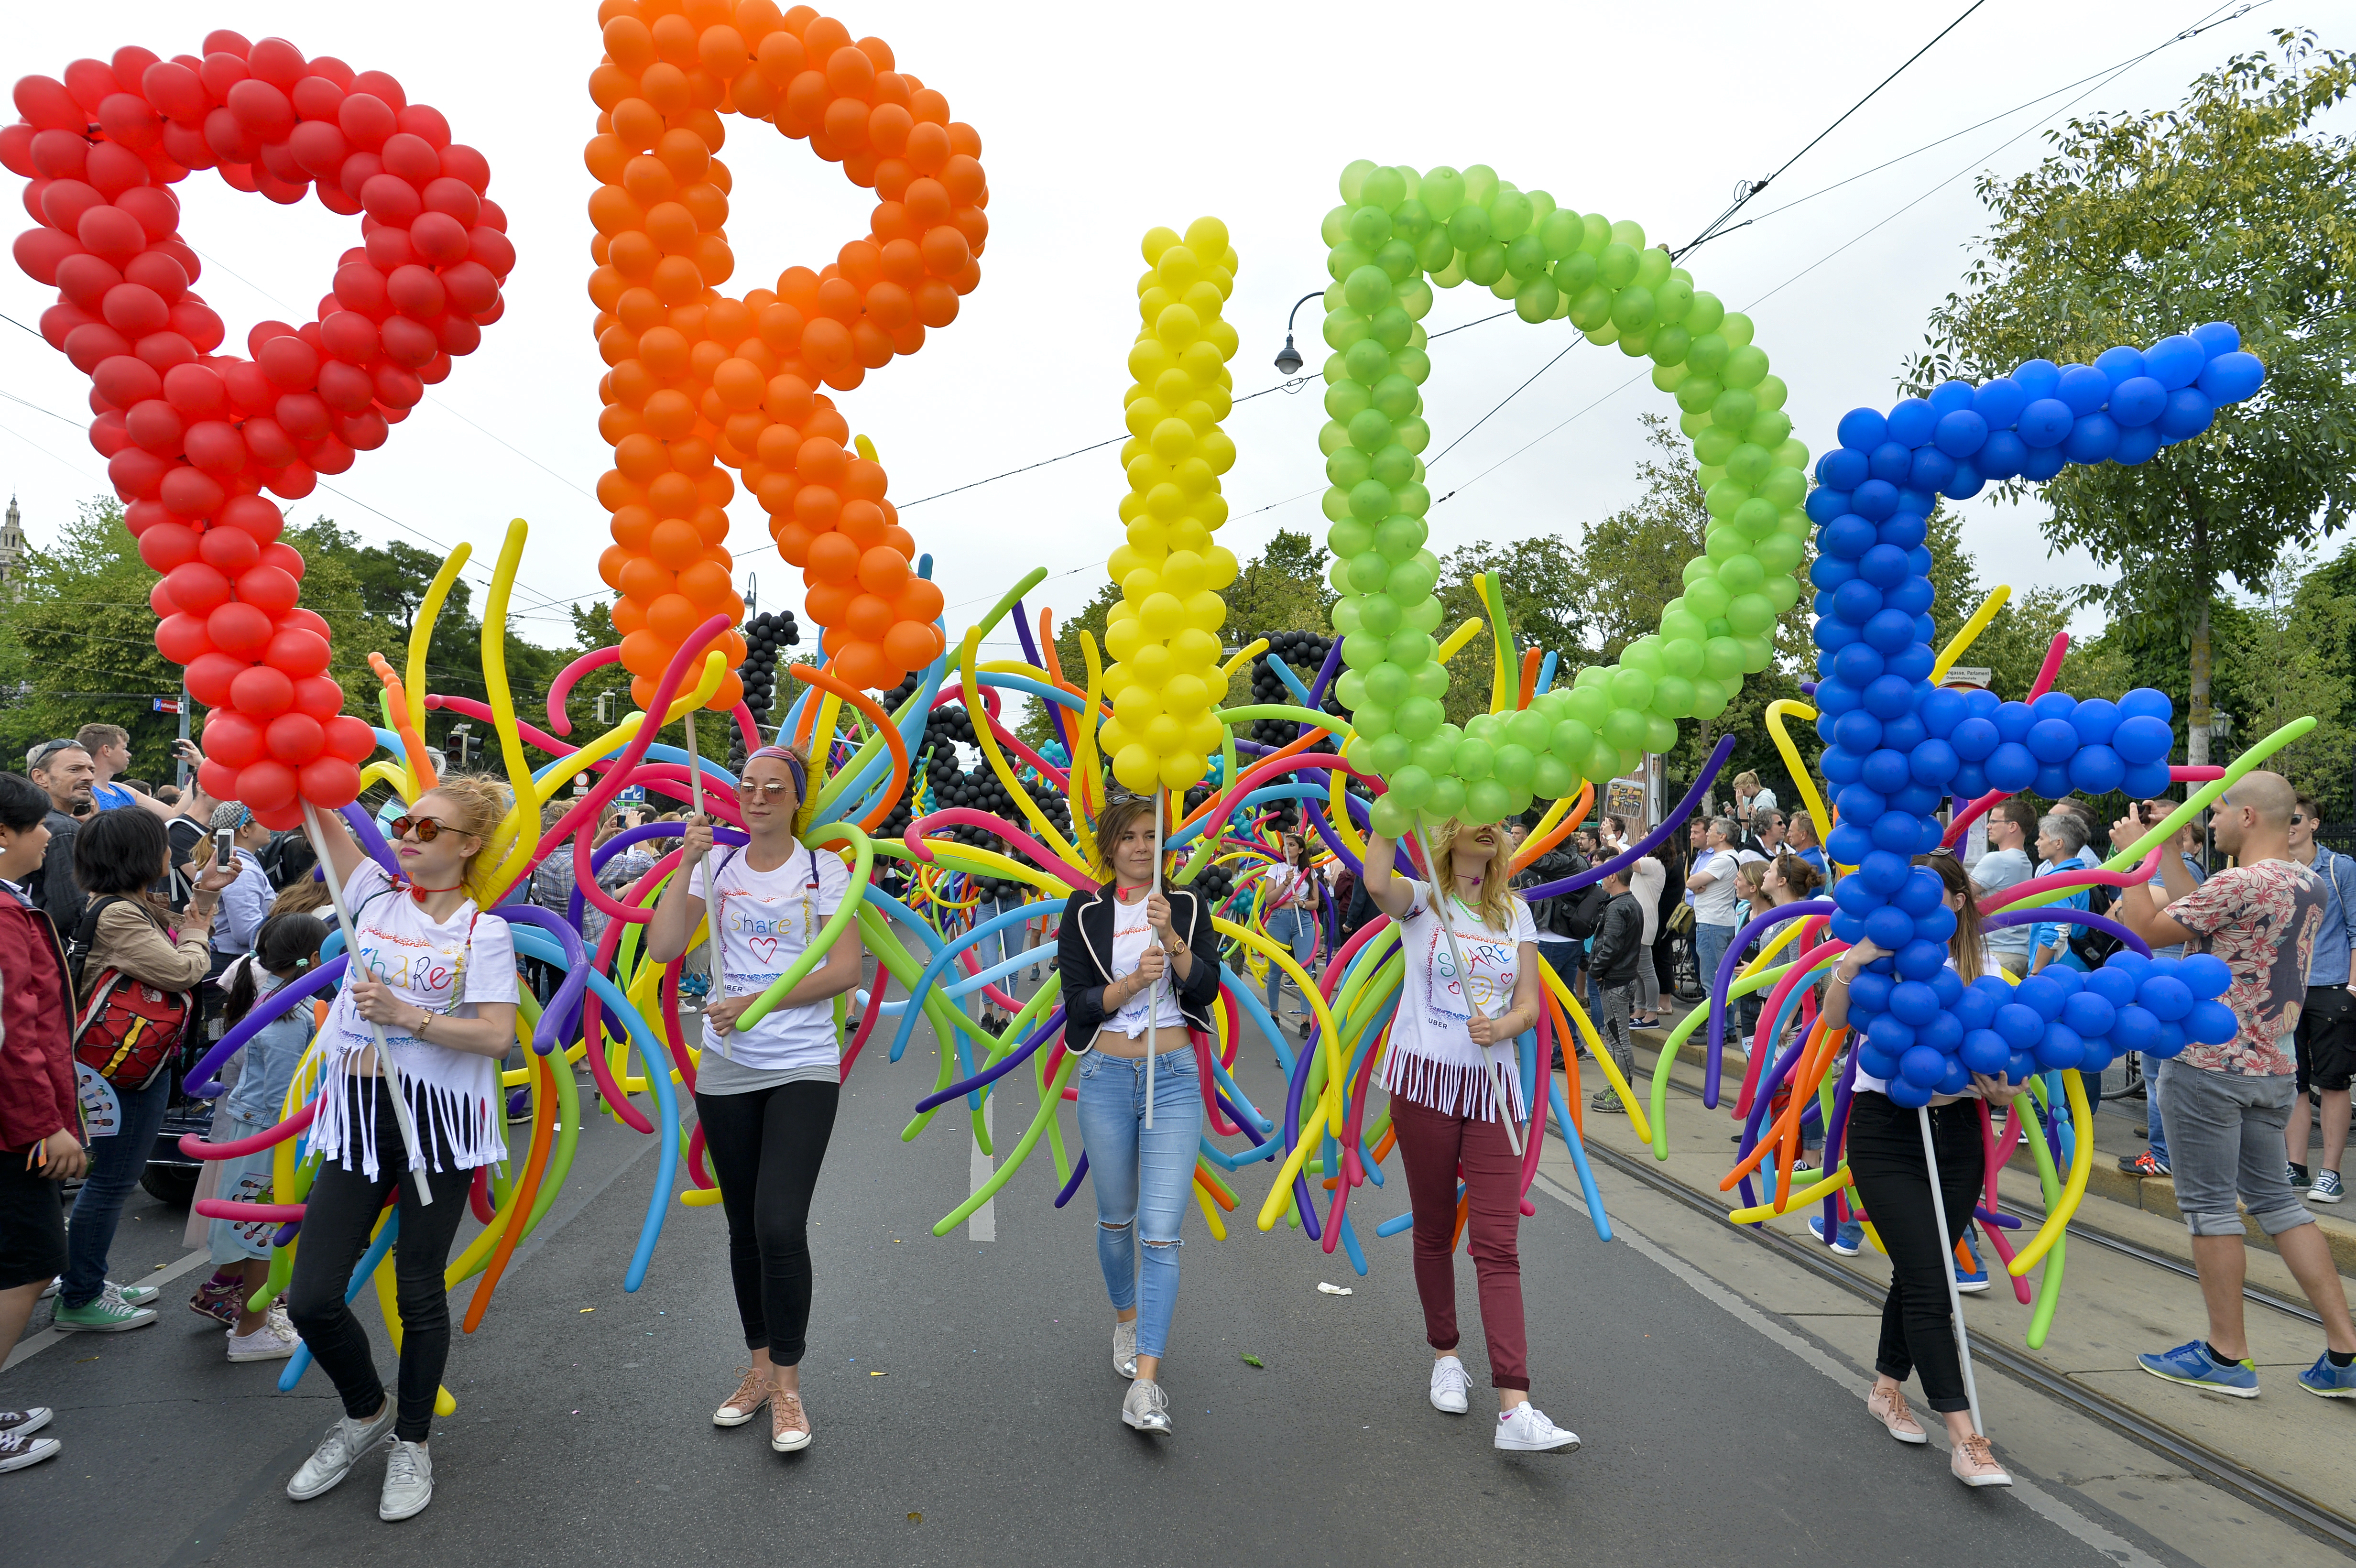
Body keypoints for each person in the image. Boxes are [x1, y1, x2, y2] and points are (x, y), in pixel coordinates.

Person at [284, 776, 520, 1521]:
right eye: (403, 824)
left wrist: (407, 1015)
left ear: (469, 845)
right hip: (359, 1115)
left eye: (427, 828)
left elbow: (497, 1036)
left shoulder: (484, 932)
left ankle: (412, 1442)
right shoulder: (372, 896)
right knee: (311, 1297)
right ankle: (366, 1412)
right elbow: (316, 806)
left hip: (438, 1123)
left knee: (419, 1292)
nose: (407, 837)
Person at [2105, 772, 2356, 1400]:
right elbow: (2203, 913)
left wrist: (2135, 857)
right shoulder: (2305, 881)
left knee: (2210, 1209)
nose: (2209, 821)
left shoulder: (2240, 883)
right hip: (2272, 1070)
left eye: (2216, 811)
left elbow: (2147, 930)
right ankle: (2346, 1351)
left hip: (2207, 1066)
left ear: (2247, 816)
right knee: (2279, 1204)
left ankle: (2226, 1355)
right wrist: (2168, 850)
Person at [647, 744, 860, 1456]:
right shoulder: (717, 865)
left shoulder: (822, 870)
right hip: (727, 1068)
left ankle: (789, 1388)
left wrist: (756, 1003)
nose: (759, 797)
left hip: (802, 1062)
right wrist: (685, 863)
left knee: (779, 1224)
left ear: (797, 799)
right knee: (744, 1228)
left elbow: (845, 970)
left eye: (774, 788)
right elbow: (664, 947)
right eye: (748, 786)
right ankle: (760, 1371)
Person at [1361, 817, 1579, 1454]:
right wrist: (1390, 811)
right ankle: (1446, 1356)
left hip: (1493, 1093)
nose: (1486, 829)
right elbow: (1375, 882)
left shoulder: (1515, 914)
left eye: (1494, 824)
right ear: (1449, 832)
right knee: (1434, 1231)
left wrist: (1503, 1027)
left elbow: (1529, 1005)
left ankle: (1516, 1407)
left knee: (1498, 1245)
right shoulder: (1423, 900)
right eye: (1471, 821)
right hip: (1425, 1085)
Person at [1816, 850, 2026, 1486]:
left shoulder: (1987, 970)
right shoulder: (1878, 956)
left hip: (1957, 1136)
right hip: (1885, 1132)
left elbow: (2009, 1057)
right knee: (1932, 1278)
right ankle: (1966, 1437)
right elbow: (1834, 1019)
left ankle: (1886, 1388)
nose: (1915, 909)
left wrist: (2004, 1090)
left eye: (1931, 896)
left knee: (1917, 1272)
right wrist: (1853, 961)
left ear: (1959, 902)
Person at [1055, 791, 1221, 1437]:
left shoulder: (1187, 905)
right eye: (1129, 836)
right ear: (1110, 846)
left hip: (1172, 1077)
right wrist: (1129, 985)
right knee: (1117, 1218)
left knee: (1160, 1232)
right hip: (1104, 1076)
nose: (1141, 847)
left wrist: (1172, 940)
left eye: (1152, 835)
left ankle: (1145, 1385)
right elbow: (1077, 1002)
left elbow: (1206, 986)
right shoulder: (1084, 911)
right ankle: (1126, 1322)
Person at [52, 809, 233, 1333]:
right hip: (122, 1070)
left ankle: (87, 1277)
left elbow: (188, 928)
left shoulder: (126, 905)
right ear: (141, 855)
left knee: (111, 1179)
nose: (170, 855)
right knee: (112, 1182)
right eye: (162, 845)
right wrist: (197, 932)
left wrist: (206, 895)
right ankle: (81, 1297)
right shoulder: (119, 916)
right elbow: (183, 968)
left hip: (131, 1060)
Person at [188, 913, 326, 1363]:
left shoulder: (274, 998)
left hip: (261, 1129)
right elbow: (282, 1094)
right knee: (266, 1233)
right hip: (271, 1136)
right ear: (314, 959)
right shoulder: (290, 1014)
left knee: (259, 1230)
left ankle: (249, 1319)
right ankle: (251, 1332)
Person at [0, 773, 83, 1474]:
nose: (47, 837)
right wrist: (44, 1124)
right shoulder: (4, 916)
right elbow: (12, 1034)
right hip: (12, 1129)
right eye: (36, 826)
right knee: (26, 1267)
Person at [2119, 806, 2207, 1179]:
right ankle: (2164, 1150)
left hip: (2169, 984)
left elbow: (2133, 921)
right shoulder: (2155, 867)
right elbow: (2118, 917)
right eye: (2147, 822)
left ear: (2182, 830)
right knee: (2158, 1074)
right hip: (2154, 980)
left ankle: (2163, 1154)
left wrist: (2136, 861)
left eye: (2156, 823)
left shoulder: (2183, 868)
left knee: (2162, 1075)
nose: (2147, 827)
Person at [2285, 792, 2356, 1202]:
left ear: (2313, 824)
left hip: (2331, 987)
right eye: (2284, 818)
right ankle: (2296, 1167)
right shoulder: (2273, 867)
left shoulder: (2338, 867)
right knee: (2292, 1082)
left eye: (2296, 818)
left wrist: (2352, 988)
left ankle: (2331, 1172)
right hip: (2287, 989)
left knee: (2332, 1082)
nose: (2289, 825)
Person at [1585, 868, 1646, 1113]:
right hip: (1623, 978)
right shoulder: (1630, 903)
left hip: (1615, 982)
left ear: (1613, 877)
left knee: (1619, 1041)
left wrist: (1595, 970)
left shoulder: (1618, 907)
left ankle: (1622, 1096)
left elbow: (1611, 947)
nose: (1602, 878)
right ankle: (1618, 1087)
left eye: (1606, 873)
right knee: (1617, 1039)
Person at [24, 740, 94, 931]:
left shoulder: (27, 822)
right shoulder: (63, 829)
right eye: (75, 770)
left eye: (91, 770)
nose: (89, 777)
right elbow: (69, 912)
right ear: (40, 777)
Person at [1257, 832, 1321, 1039]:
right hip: (1279, 919)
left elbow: (1315, 903)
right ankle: (1274, 1015)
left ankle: (1305, 1021)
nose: (1287, 848)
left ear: (1300, 850)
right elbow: (1269, 900)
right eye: (1286, 845)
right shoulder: (1275, 869)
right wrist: (1285, 883)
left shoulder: (1310, 872)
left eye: (1292, 845)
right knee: (1275, 970)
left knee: (1305, 971)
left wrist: (1302, 903)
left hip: (1303, 919)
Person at [1684, 818, 1758, 997]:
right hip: (1718, 921)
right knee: (1724, 981)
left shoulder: (1723, 860)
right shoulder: (1728, 857)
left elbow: (1691, 882)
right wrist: (1697, 886)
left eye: (1711, 831)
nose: (1707, 834)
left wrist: (1696, 886)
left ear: (1722, 836)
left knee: (1713, 982)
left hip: (1712, 924)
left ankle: (1719, 1017)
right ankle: (1725, 1016)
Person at [1969, 800, 2038, 978]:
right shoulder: (2024, 861)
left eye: (1993, 821)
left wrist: (1979, 900)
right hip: (2018, 951)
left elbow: (1960, 896)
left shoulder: (1997, 859)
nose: (1988, 826)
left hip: (1996, 954)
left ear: (2013, 826)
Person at [2027, 813, 2096, 976]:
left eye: (2041, 838)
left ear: (2058, 843)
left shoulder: (2059, 880)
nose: (2037, 843)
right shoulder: (2082, 873)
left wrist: (2035, 972)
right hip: (2079, 967)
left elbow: (2055, 930)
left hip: (2055, 972)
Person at [209, 802, 276, 960]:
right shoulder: (241, 871)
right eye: (262, 820)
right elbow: (247, 932)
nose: (270, 825)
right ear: (245, 830)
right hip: (232, 960)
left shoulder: (239, 864)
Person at [76, 724, 142, 814]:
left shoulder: (121, 790)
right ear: (107, 750)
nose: (129, 755)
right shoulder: (83, 793)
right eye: (124, 748)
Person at [1789, 811, 1829, 881]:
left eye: (1791, 831)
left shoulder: (1809, 863)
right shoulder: (1807, 858)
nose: (1788, 835)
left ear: (1803, 835)